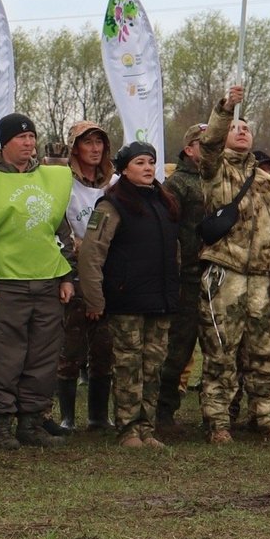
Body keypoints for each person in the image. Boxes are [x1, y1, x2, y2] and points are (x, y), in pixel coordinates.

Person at [0, 113, 75, 448]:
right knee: (2, 355)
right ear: (5, 142)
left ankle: (31, 422)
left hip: (47, 281)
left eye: (32, 137)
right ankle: (0, 424)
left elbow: (61, 230)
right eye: (21, 138)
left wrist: (67, 273)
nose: (28, 143)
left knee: (42, 355)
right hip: (4, 283)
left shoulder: (51, 179)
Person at [194, 85, 270, 444]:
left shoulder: (268, 182)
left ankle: (265, 418)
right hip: (226, 273)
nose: (241, 130)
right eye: (235, 126)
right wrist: (225, 109)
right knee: (221, 351)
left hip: (261, 280)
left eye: (245, 127)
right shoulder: (216, 171)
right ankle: (218, 421)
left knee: (264, 352)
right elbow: (208, 146)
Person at [78, 142, 180, 446]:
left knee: (153, 367)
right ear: (123, 169)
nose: (148, 168)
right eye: (139, 162)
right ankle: (127, 429)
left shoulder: (165, 203)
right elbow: (91, 255)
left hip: (159, 302)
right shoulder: (111, 205)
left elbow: (174, 252)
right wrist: (95, 299)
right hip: (126, 302)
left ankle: (146, 428)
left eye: (151, 162)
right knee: (128, 366)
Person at [56, 121, 115, 434]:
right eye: (87, 142)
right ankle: (67, 416)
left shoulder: (114, 184)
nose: (94, 149)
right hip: (75, 274)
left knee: (105, 347)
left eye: (99, 142)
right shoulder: (63, 183)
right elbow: (58, 227)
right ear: (75, 147)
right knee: (71, 347)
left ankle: (98, 416)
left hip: (109, 274)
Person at [155, 123, 209, 433]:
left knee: (219, 351)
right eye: (201, 143)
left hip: (221, 275)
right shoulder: (177, 184)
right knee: (178, 348)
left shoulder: (222, 178)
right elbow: (167, 231)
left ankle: (216, 414)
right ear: (188, 149)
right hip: (188, 275)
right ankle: (164, 412)